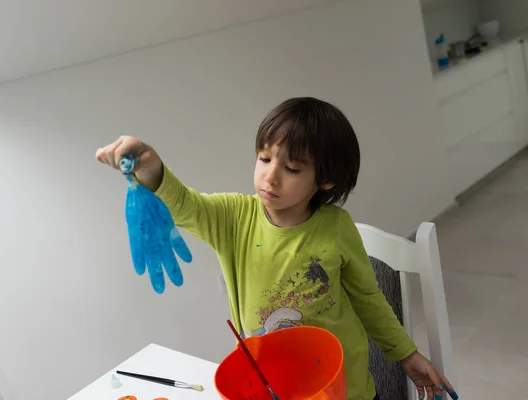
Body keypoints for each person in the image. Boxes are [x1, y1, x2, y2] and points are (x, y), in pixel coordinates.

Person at [95, 97, 458, 400]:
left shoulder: (335, 229)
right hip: (272, 387)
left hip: (345, 392)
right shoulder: (234, 218)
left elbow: (369, 299)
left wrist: (405, 354)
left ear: (326, 178)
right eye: (265, 158)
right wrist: (152, 168)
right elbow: (187, 205)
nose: (270, 176)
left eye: (292, 168)